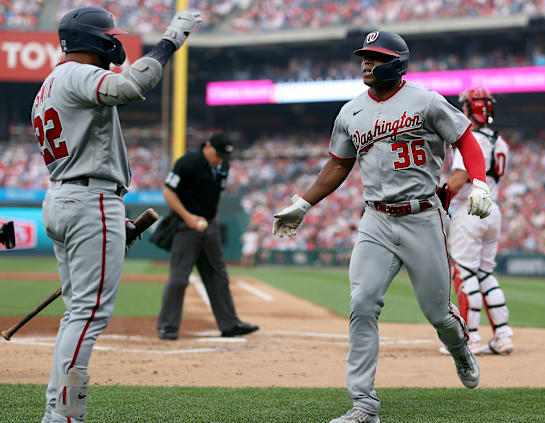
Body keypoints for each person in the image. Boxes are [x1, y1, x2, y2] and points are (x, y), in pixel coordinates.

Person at [273, 30, 493, 423]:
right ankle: (363, 405)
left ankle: (460, 348)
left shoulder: (425, 100)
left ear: (397, 62)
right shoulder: (350, 111)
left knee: (437, 312)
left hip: (423, 217)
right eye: (364, 56)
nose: (367, 63)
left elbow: (466, 140)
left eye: (375, 57)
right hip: (375, 218)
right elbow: (339, 165)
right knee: (362, 302)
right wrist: (303, 203)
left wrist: (478, 182)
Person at [33, 6, 201, 423]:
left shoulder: (50, 84)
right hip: (89, 200)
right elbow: (131, 85)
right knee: (88, 316)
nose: (114, 41)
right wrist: (169, 42)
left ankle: (56, 412)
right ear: (91, 40)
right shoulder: (76, 74)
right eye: (107, 34)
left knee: (76, 315)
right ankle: (65, 417)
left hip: (67, 198)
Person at [157, 133, 260, 340]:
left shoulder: (223, 166)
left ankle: (230, 324)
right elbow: (168, 192)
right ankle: (167, 327)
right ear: (208, 147)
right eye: (219, 154)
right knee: (179, 278)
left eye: (225, 156)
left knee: (218, 275)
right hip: (185, 226)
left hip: (210, 224)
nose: (221, 159)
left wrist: (212, 219)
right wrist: (188, 218)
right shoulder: (188, 162)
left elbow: (213, 195)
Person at [439, 86, 514, 356]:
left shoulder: (471, 139)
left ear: (469, 109)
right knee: (485, 274)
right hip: (492, 209)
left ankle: (469, 338)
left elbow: (460, 177)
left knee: (463, 272)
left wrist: (440, 197)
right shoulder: (501, 141)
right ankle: (503, 335)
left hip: (469, 210)